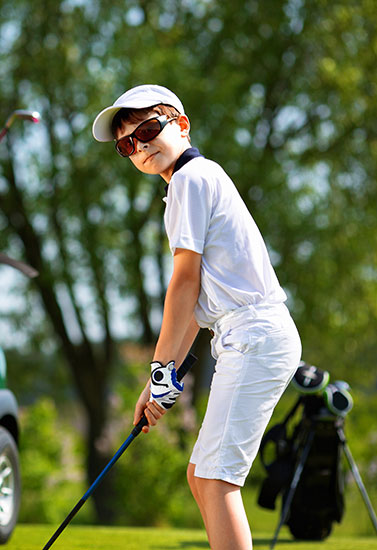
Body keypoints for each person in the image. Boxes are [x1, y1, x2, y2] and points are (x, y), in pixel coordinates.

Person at [92, 85, 301, 550]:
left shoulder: (190, 179)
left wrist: (160, 370)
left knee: (215, 481)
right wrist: (161, 381)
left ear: (181, 125)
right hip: (245, 335)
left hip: (254, 335)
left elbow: (183, 285)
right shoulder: (193, 182)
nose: (140, 145)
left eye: (148, 129)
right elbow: (194, 311)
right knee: (199, 475)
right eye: (127, 143)